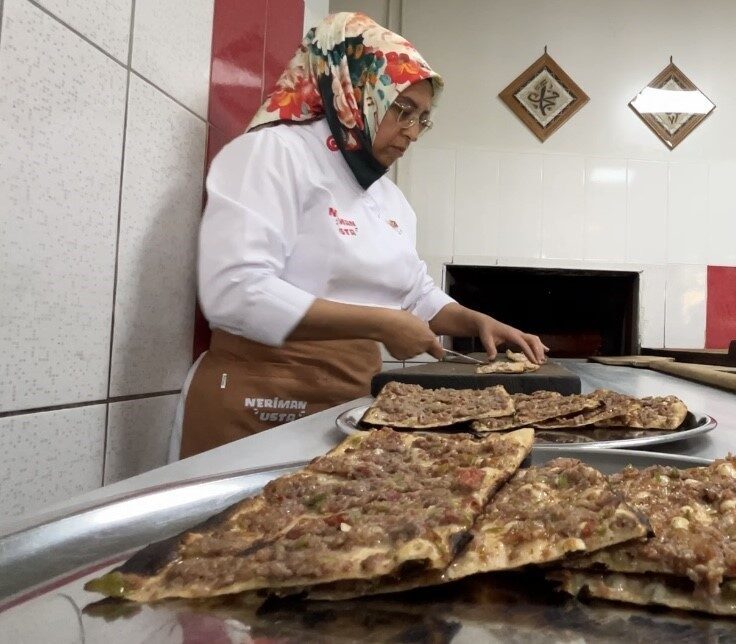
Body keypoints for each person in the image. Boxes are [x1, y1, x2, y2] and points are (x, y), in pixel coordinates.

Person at [178, 12, 545, 457]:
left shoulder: (388, 197)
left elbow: (414, 294)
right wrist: (380, 324)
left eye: (423, 118)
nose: (412, 132)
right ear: (353, 89)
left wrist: (476, 322)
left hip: (351, 400)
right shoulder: (272, 154)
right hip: (263, 397)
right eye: (402, 110)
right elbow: (235, 292)